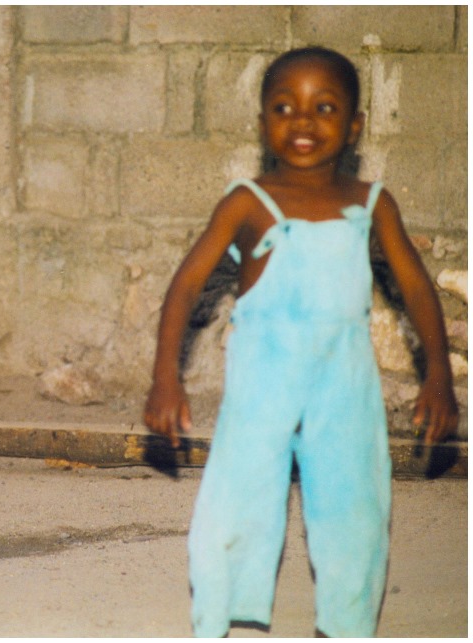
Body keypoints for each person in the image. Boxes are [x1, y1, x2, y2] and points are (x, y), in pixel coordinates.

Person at [143, 47, 458, 637]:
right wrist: (167, 376)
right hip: (262, 385)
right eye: (284, 107)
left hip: (344, 385)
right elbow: (185, 286)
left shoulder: (371, 206)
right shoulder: (248, 203)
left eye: (325, 107)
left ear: (356, 125)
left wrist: (437, 374)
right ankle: (216, 615)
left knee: (355, 508)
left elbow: (416, 289)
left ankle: (344, 623)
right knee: (237, 500)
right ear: (263, 123)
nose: (304, 121)